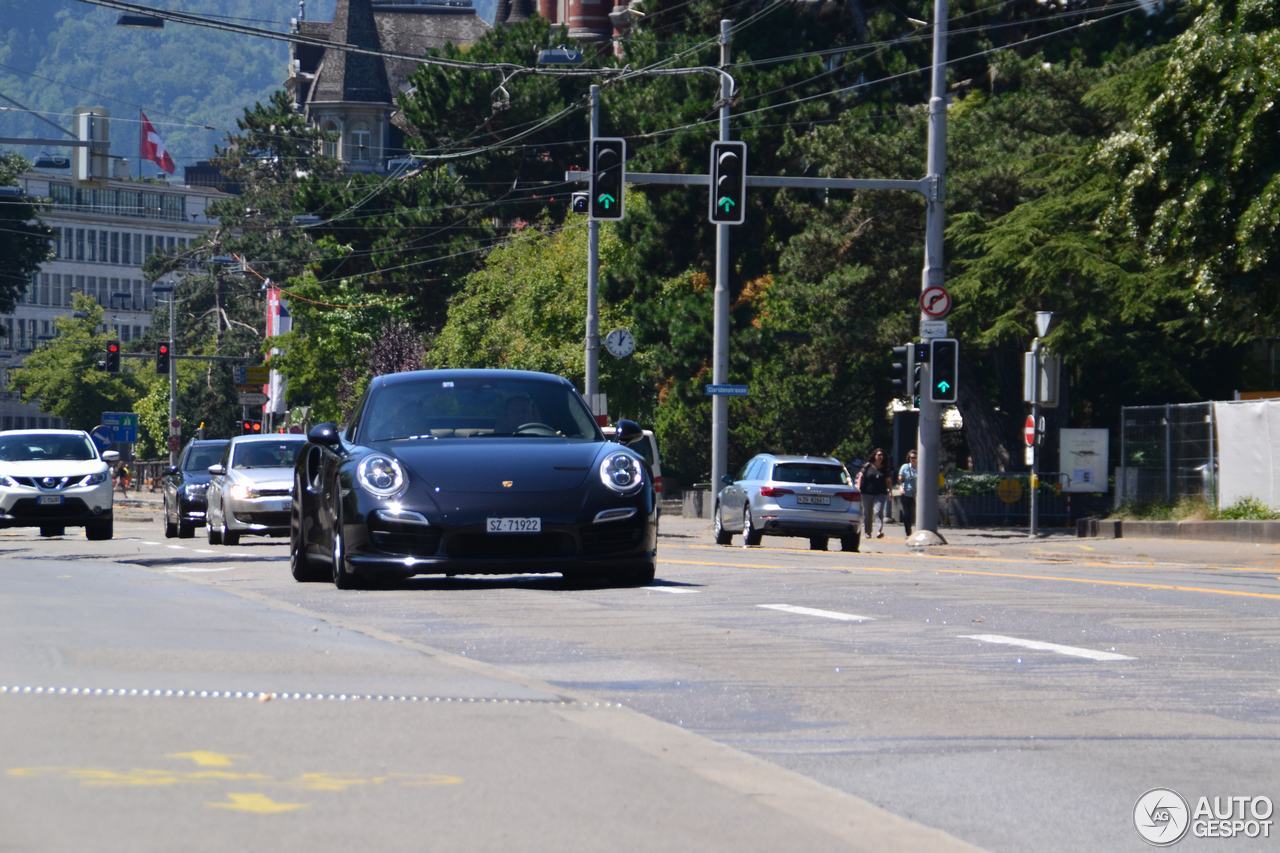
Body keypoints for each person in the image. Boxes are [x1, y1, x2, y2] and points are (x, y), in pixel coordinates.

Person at [856, 448, 892, 539]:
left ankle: (879, 531)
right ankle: (868, 532)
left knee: (878, 511)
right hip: (866, 493)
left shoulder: (884, 468)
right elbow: (860, 476)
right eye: (878, 455)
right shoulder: (867, 466)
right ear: (874, 456)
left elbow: (888, 481)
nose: (880, 457)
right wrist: (858, 487)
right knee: (867, 513)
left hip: (880, 493)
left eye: (882, 455)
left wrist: (890, 491)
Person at [897, 450, 918, 537]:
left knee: (915, 513)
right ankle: (908, 532)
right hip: (906, 493)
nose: (913, 459)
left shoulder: (921, 467)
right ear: (909, 458)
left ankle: (918, 530)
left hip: (917, 494)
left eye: (915, 457)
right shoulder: (905, 467)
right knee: (907, 513)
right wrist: (901, 486)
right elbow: (900, 478)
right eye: (911, 457)